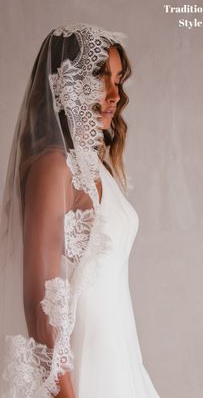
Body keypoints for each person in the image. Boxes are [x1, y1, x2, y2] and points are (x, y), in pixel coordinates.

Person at [0, 23, 161, 398]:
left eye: (119, 81)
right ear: (66, 81)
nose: (114, 95)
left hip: (120, 362)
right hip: (82, 374)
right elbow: (39, 304)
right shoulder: (53, 166)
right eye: (100, 78)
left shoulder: (94, 164)